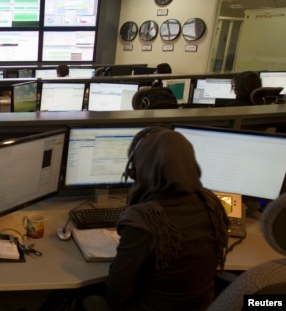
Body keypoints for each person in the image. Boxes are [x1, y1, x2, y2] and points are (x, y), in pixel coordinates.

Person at [82, 126, 229, 311]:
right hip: (201, 305)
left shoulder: (144, 219)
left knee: (89, 299)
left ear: (138, 169)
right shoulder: (210, 203)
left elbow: (117, 293)